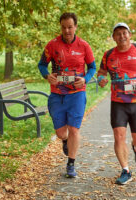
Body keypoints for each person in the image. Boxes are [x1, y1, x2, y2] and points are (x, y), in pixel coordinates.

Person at [38, 12, 96, 178]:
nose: (67, 30)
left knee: (74, 129)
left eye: (70, 27)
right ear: (61, 27)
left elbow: (92, 67)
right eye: (64, 27)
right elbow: (42, 64)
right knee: (61, 133)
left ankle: (71, 163)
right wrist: (47, 75)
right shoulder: (52, 45)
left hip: (77, 94)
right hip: (57, 94)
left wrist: (84, 79)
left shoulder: (84, 46)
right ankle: (65, 141)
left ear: (75, 27)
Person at [97, 22, 136, 185]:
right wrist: (101, 79)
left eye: (124, 32)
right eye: (118, 33)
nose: (121, 36)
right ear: (113, 37)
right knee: (118, 136)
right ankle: (126, 170)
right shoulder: (108, 54)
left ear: (130, 34)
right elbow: (101, 72)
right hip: (118, 102)